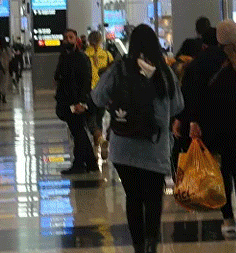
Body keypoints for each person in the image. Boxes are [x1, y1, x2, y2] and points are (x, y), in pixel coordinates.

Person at [92, 24, 183, 253]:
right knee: (153, 198)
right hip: (155, 146)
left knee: (133, 197)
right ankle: (152, 243)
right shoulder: (164, 71)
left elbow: (97, 97)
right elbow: (178, 105)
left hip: (124, 145)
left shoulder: (120, 68)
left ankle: (139, 246)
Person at [177, 20, 236, 235]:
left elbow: (191, 94)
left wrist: (191, 120)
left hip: (212, 125)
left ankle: (228, 219)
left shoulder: (201, 62)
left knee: (221, 172)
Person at [55, 29, 96, 175]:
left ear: (76, 39)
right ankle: (91, 163)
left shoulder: (81, 58)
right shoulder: (63, 57)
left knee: (78, 132)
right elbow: (59, 76)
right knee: (78, 131)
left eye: (71, 37)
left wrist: (82, 101)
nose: (68, 40)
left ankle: (79, 163)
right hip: (67, 100)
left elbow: (86, 80)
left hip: (77, 101)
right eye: (65, 37)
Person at [86, 31, 114, 158]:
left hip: (89, 92)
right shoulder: (107, 55)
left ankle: (99, 141)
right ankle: (101, 145)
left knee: (90, 118)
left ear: (88, 41)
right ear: (100, 40)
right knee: (100, 117)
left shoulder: (84, 55)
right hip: (104, 91)